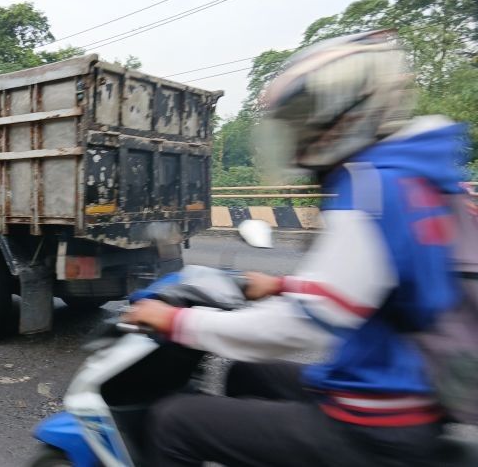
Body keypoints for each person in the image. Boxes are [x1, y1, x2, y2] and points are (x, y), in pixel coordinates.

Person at [125, 30, 468, 466]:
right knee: (249, 372)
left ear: (349, 110)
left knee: (174, 421)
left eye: (307, 118)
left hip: (374, 424)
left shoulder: (371, 186)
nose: (301, 135)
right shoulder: (414, 173)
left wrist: (178, 321)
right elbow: (377, 280)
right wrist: (285, 284)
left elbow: (299, 329)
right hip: (409, 392)